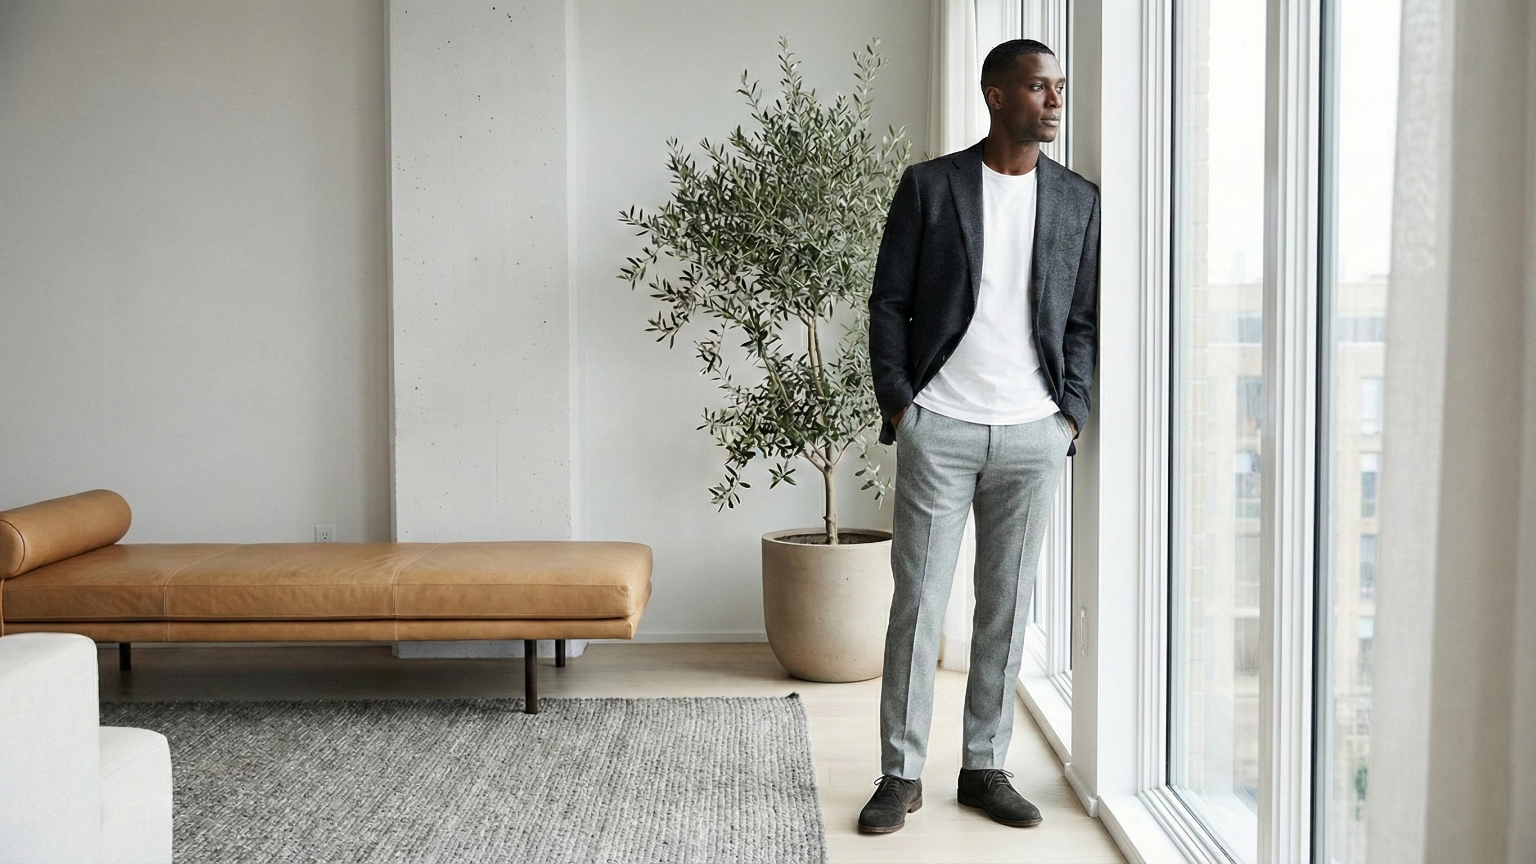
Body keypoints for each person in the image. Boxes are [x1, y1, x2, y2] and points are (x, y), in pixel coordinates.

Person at [859, 38, 1099, 834]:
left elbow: (1083, 321)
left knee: (1004, 609)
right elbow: (888, 301)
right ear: (997, 95)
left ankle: (984, 767)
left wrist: (1070, 413)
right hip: (942, 427)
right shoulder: (932, 187)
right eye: (1039, 87)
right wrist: (902, 406)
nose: (1054, 101)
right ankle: (900, 774)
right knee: (919, 606)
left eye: (1058, 87)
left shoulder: (1077, 200)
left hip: (1033, 435)